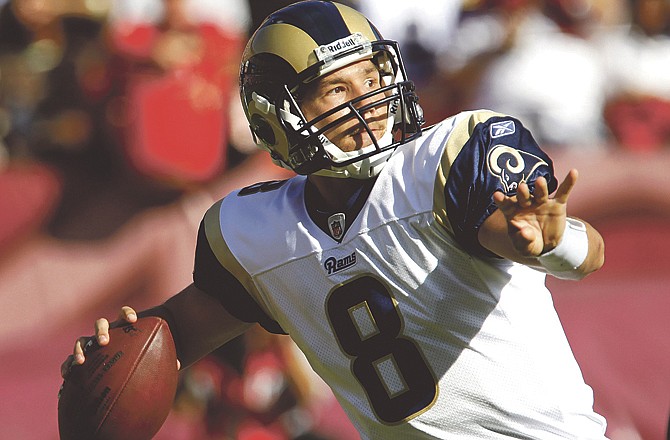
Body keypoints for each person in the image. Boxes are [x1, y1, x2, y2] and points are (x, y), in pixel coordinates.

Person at [61, 1, 608, 438]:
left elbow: (576, 254)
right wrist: (110, 354)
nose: (368, 101)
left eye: (371, 77)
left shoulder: (449, 158)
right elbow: (174, 334)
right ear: (278, 118)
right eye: (337, 89)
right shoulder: (255, 231)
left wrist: (552, 243)